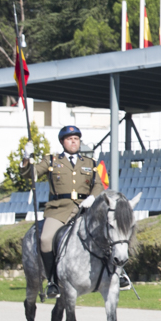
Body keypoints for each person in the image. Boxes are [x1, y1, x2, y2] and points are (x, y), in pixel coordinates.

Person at [22, 124, 106, 298]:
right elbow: (30, 174)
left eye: (76, 139)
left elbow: (99, 184)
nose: (73, 142)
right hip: (59, 210)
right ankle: (53, 281)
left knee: (109, 233)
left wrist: (92, 197)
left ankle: (118, 275)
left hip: (85, 209)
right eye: (69, 139)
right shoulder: (52, 161)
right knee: (45, 239)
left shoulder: (90, 163)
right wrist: (26, 157)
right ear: (62, 142)